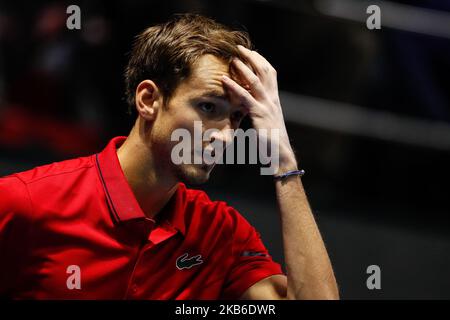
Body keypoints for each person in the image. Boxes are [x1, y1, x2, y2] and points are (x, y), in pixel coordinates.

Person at [0, 13, 338, 299]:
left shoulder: (221, 234)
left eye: (236, 117)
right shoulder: (23, 201)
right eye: (208, 107)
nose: (225, 135)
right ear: (148, 100)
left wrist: (283, 160)